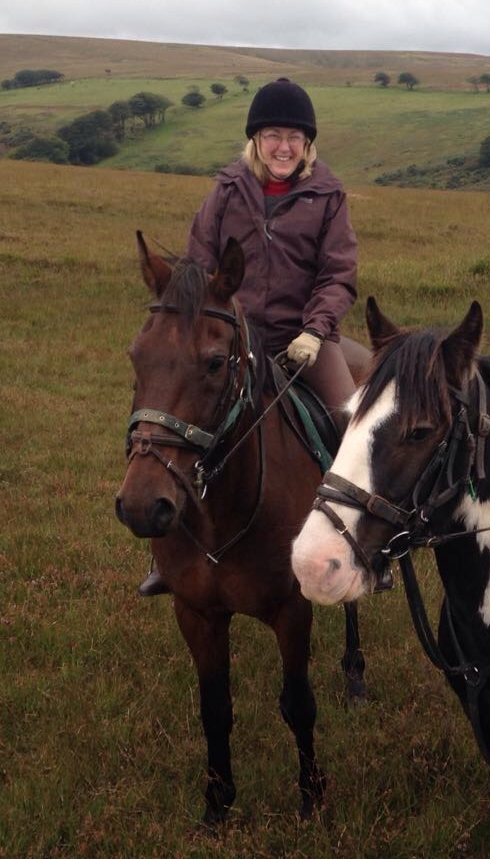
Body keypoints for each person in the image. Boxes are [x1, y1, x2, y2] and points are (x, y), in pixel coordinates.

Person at [139, 77, 361, 597]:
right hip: (230, 339)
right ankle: (168, 555)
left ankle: (356, 545)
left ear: (307, 144)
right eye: (272, 135)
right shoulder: (226, 191)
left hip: (304, 340)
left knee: (349, 426)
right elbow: (197, 264)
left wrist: (314, 330)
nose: (283, 147)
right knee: (168, 418)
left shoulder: (328, 195)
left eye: (294, 137)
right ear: (255, 140)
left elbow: (338, 275)